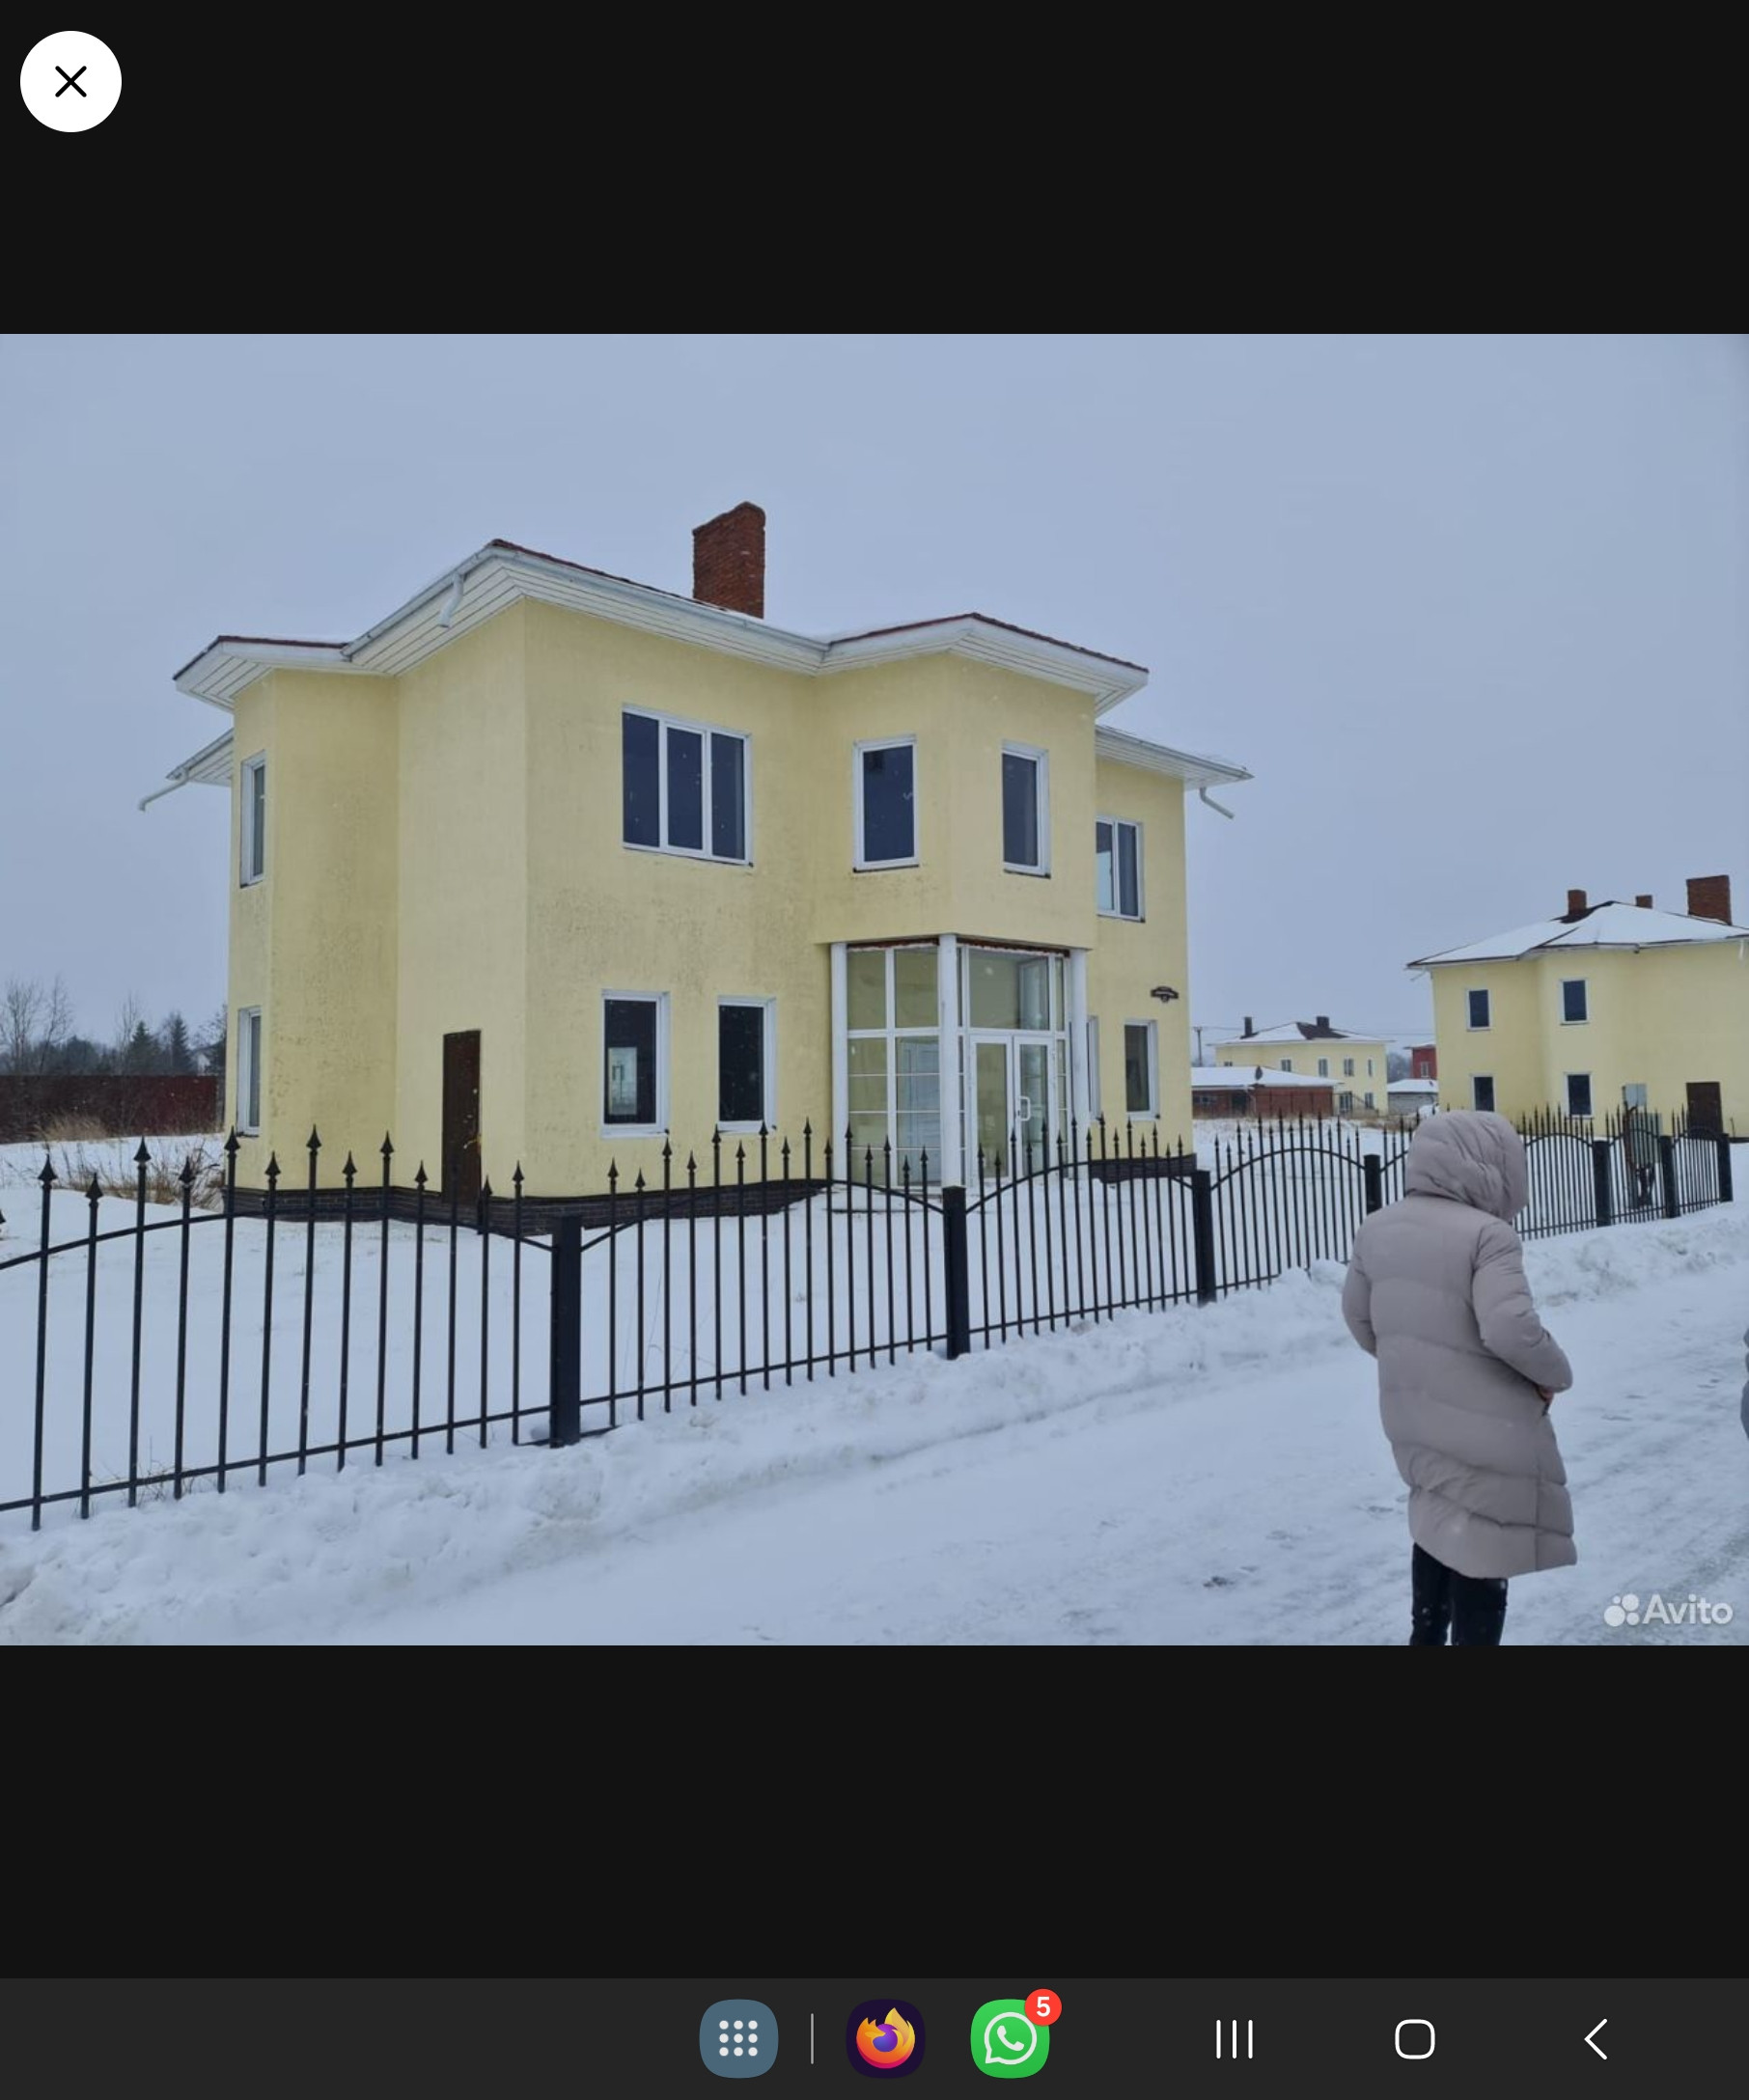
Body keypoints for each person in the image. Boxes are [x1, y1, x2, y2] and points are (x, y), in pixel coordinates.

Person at [1342, 1113, 1574, 1645]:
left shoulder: (1377, 1227)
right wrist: (1554, 1374)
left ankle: (1425, 1635)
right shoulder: (1487, 1235)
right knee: (1485, 1544)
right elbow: (1509, 1327)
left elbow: (1359, 1318)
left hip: (1413, 1413)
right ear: (1489, 1165)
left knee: (1437, 1518)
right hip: (1487, 1423)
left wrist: (1411, 1362)